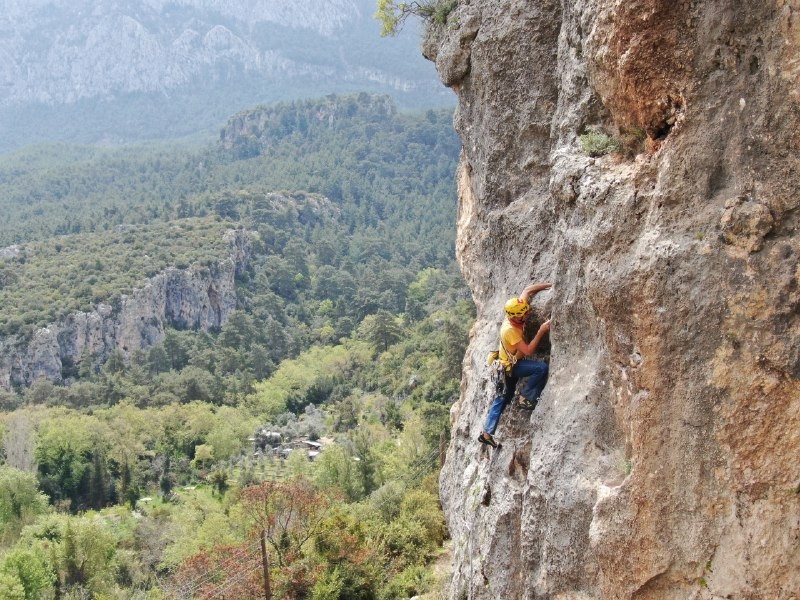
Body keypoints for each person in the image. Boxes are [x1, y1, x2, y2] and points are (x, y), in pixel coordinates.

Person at [478, 283, 552, 448]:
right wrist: (541, 331)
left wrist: (551, 285)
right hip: (510, 367)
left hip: (507, 365)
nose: (528, 314)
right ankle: (526, 398)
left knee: (504, 397)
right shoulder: (510, 330)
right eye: (524, 314)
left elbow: (527, 290)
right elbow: (528, 351)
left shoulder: (515, 310)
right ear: (517, 317)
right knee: (541, 369)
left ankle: (486, 433)